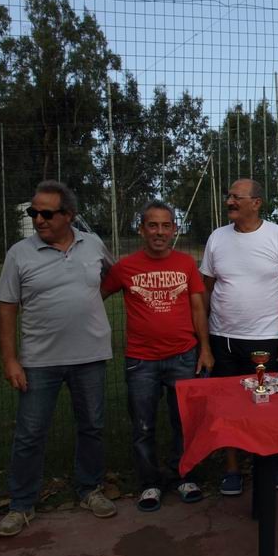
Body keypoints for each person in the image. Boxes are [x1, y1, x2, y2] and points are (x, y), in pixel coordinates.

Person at [0, 180, 117, 537]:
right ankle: (21, 504)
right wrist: (10, 361)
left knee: (91, 426)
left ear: (69, 215)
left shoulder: (92, 244)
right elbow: (6, 309)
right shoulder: (19, 253)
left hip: (90, 356)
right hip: (39, 361)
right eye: (34, 212)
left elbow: (113, 277)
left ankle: (89, 489)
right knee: (30, 433)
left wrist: (88, 301)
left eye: (47, 214)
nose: (38, 219)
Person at [101, 200, 214, 512]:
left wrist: (204, 349)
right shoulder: (125, 268)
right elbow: (96, 296)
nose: (159, 232)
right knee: (143, 426)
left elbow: (198, 308)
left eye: (166, 225)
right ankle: (149, 483)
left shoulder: (186, 264)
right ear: (142, 230)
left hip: (183, 357)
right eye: (153, 225)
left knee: (184, 423)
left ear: (174, 230)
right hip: (141, 361)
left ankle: (184, 475)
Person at [200, 178, 278, 496]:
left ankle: (266, 465)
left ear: (256, 203)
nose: (229, 202)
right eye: (228, 196)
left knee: (266, 405)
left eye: (236, 197)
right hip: (223, 338)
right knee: (228, 406)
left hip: (265, 339)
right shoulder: (217, 238)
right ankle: (232, 469)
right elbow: (205, 289)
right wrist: (203, 339)